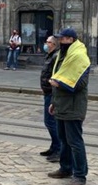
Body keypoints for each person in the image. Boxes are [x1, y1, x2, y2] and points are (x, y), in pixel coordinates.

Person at [47, 28, 90, 185]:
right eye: (59, 39)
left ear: (71, 40)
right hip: (61, 105)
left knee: (75, 142)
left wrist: (59, 84)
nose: (60, 41)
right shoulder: (63, 55)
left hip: (73, 107)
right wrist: (54, 102)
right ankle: (65, 168)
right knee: (63, 139)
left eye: (63, 39)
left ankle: (80, 174)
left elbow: (80, 83)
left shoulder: (78, 56)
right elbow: (59, 76)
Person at [39, 35, 61, 163]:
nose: (46, 44)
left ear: (54, 44)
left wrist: (53, 94)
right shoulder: (49, 55)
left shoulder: (55, 56)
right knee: (49, 122)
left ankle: (58, 149)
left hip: (51, 93)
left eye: (48, 42)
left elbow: (55, 76)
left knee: (50, 122)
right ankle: (54, 147)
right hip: (47, 92)